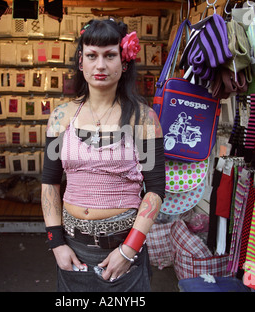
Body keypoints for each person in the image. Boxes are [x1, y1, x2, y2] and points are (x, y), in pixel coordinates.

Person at [41, 18, 165, 292]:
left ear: (125, 62)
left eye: (110, 55)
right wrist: (56, 243)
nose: (100, 65)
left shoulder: (144, 120)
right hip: (72, 253)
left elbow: (155, 189)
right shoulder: (60, 118)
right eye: (92, 56)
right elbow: (50, 183)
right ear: (80, 61)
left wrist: (128, 251)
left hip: (123, 254)